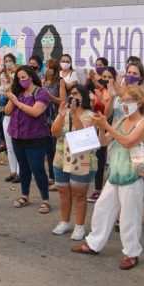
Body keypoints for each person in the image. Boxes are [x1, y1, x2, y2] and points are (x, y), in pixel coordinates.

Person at [71, 86, 144, 270]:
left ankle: (131, 253)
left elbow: (128, 141)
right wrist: (101, 128)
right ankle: (93, 244)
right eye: (122, 100)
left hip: (133, 176)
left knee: (129, 216)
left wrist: (106, 126)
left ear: (139, 103)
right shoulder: (121, 120)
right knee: (102, 208)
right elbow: (104, 142)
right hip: (115, 173)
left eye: (128, 101)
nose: (124, 104)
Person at [51, 84, 97, 241]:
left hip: (82, 160)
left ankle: (79, 226)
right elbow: (55, 132)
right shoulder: (64, 113)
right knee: (63, 192)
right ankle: (64, 222)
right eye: (71, 94)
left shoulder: (90, 115)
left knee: (79, 195)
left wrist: (75, 114)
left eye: (77, 94)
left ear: (84, 96)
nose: (73, 97)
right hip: (60, 158)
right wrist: (62, 115)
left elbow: (82, 134)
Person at [5, 65, 52, 213]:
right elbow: (7, 111)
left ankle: (45, 199)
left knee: (37, 168)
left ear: (31, 76)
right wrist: (12, 98)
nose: (21, 81)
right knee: (23, 168)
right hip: (18, 136)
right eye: (18, 78)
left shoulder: (41, 93)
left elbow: (36, 112)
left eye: (23, 77)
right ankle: (24, 195)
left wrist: (18, 102)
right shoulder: (18, 92)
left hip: (35, 137)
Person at [88, 66, 116, 203]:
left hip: (112, 127)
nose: (106, 80)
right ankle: (97, 189)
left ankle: (110, 191)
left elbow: (108, 113)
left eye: (109, 77)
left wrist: (108, 99)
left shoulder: (115, 93)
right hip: (99, 128)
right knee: (99, 158)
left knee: (110, 160)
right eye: (104, 77)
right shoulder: (99, 91)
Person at [0, 53, 19, 183]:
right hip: (5, 112)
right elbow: (1, 90)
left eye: (10, 60)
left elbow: (14, 89)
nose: (8, 63)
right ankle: (13, 171)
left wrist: (11, 78)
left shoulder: (17, 74)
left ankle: (21, 173)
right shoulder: (3, 75)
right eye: (6, 61)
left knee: (18, 146)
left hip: (16, 112)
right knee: (9, 146)